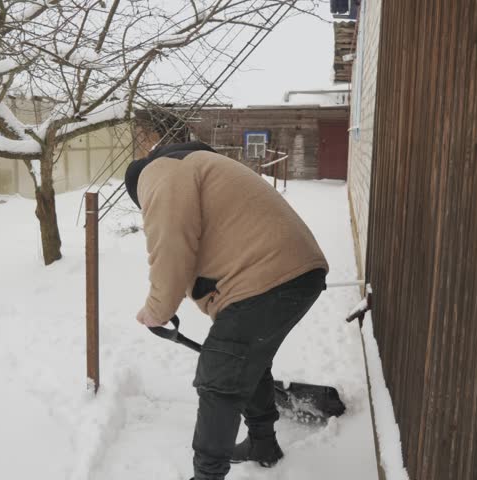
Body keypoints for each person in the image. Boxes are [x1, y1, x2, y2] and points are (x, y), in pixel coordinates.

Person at [125, 141, 329, 480]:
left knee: (219, 377)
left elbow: (171, 249)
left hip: (267, 277)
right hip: (296, 272)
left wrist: (156, 311)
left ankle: (207, 476)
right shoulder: (199, 165)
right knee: (247, 362)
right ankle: (263, 444)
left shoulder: (158, 173)